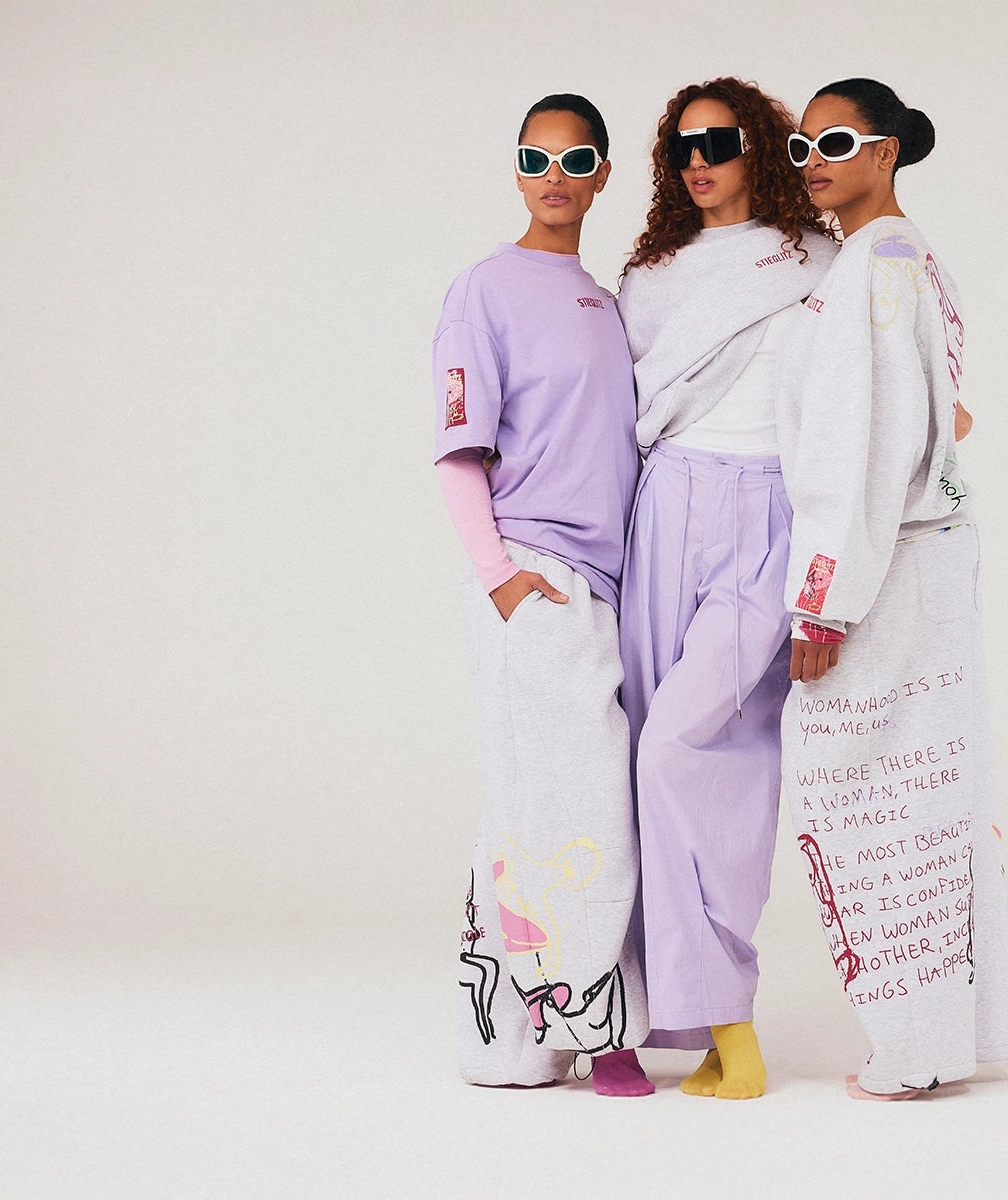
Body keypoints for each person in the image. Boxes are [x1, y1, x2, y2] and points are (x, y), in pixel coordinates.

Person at [776, 78, 1008, 1099]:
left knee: (869, 797)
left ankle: (913, 1050)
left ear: (886, 151)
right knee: (929, 790)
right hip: (927, 555)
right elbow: (942, 416)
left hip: (887, 565)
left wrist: (822, 599)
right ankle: (939, 1039)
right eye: (800, 147)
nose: (812, 162)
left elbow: (858, 445)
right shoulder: (908, 257)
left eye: (835, 142)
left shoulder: (874, 264)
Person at [614, 77, 837, 1100]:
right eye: (682, 146)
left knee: (710, 754)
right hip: (664, 507)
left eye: (720, 141)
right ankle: (678, 1022)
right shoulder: (650, 276)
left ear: (761, 148)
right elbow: (613, 407)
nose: (699, 161)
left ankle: (730, 1016)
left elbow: (855, 399)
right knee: (644, 757)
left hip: (768, 513)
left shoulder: (816, 259)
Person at [434, 94, 654, 1095]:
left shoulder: (604, 302)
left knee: (536, 802)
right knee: (579, 798)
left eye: (574, 160)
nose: (553, 176)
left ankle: (512, 1042)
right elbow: (458, 451)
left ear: (603, 173)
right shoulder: (485, 289)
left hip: (603, 585)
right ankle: (601, 1030)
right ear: (517, 171)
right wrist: (503, 581)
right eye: (535, 158)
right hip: (536, 575)